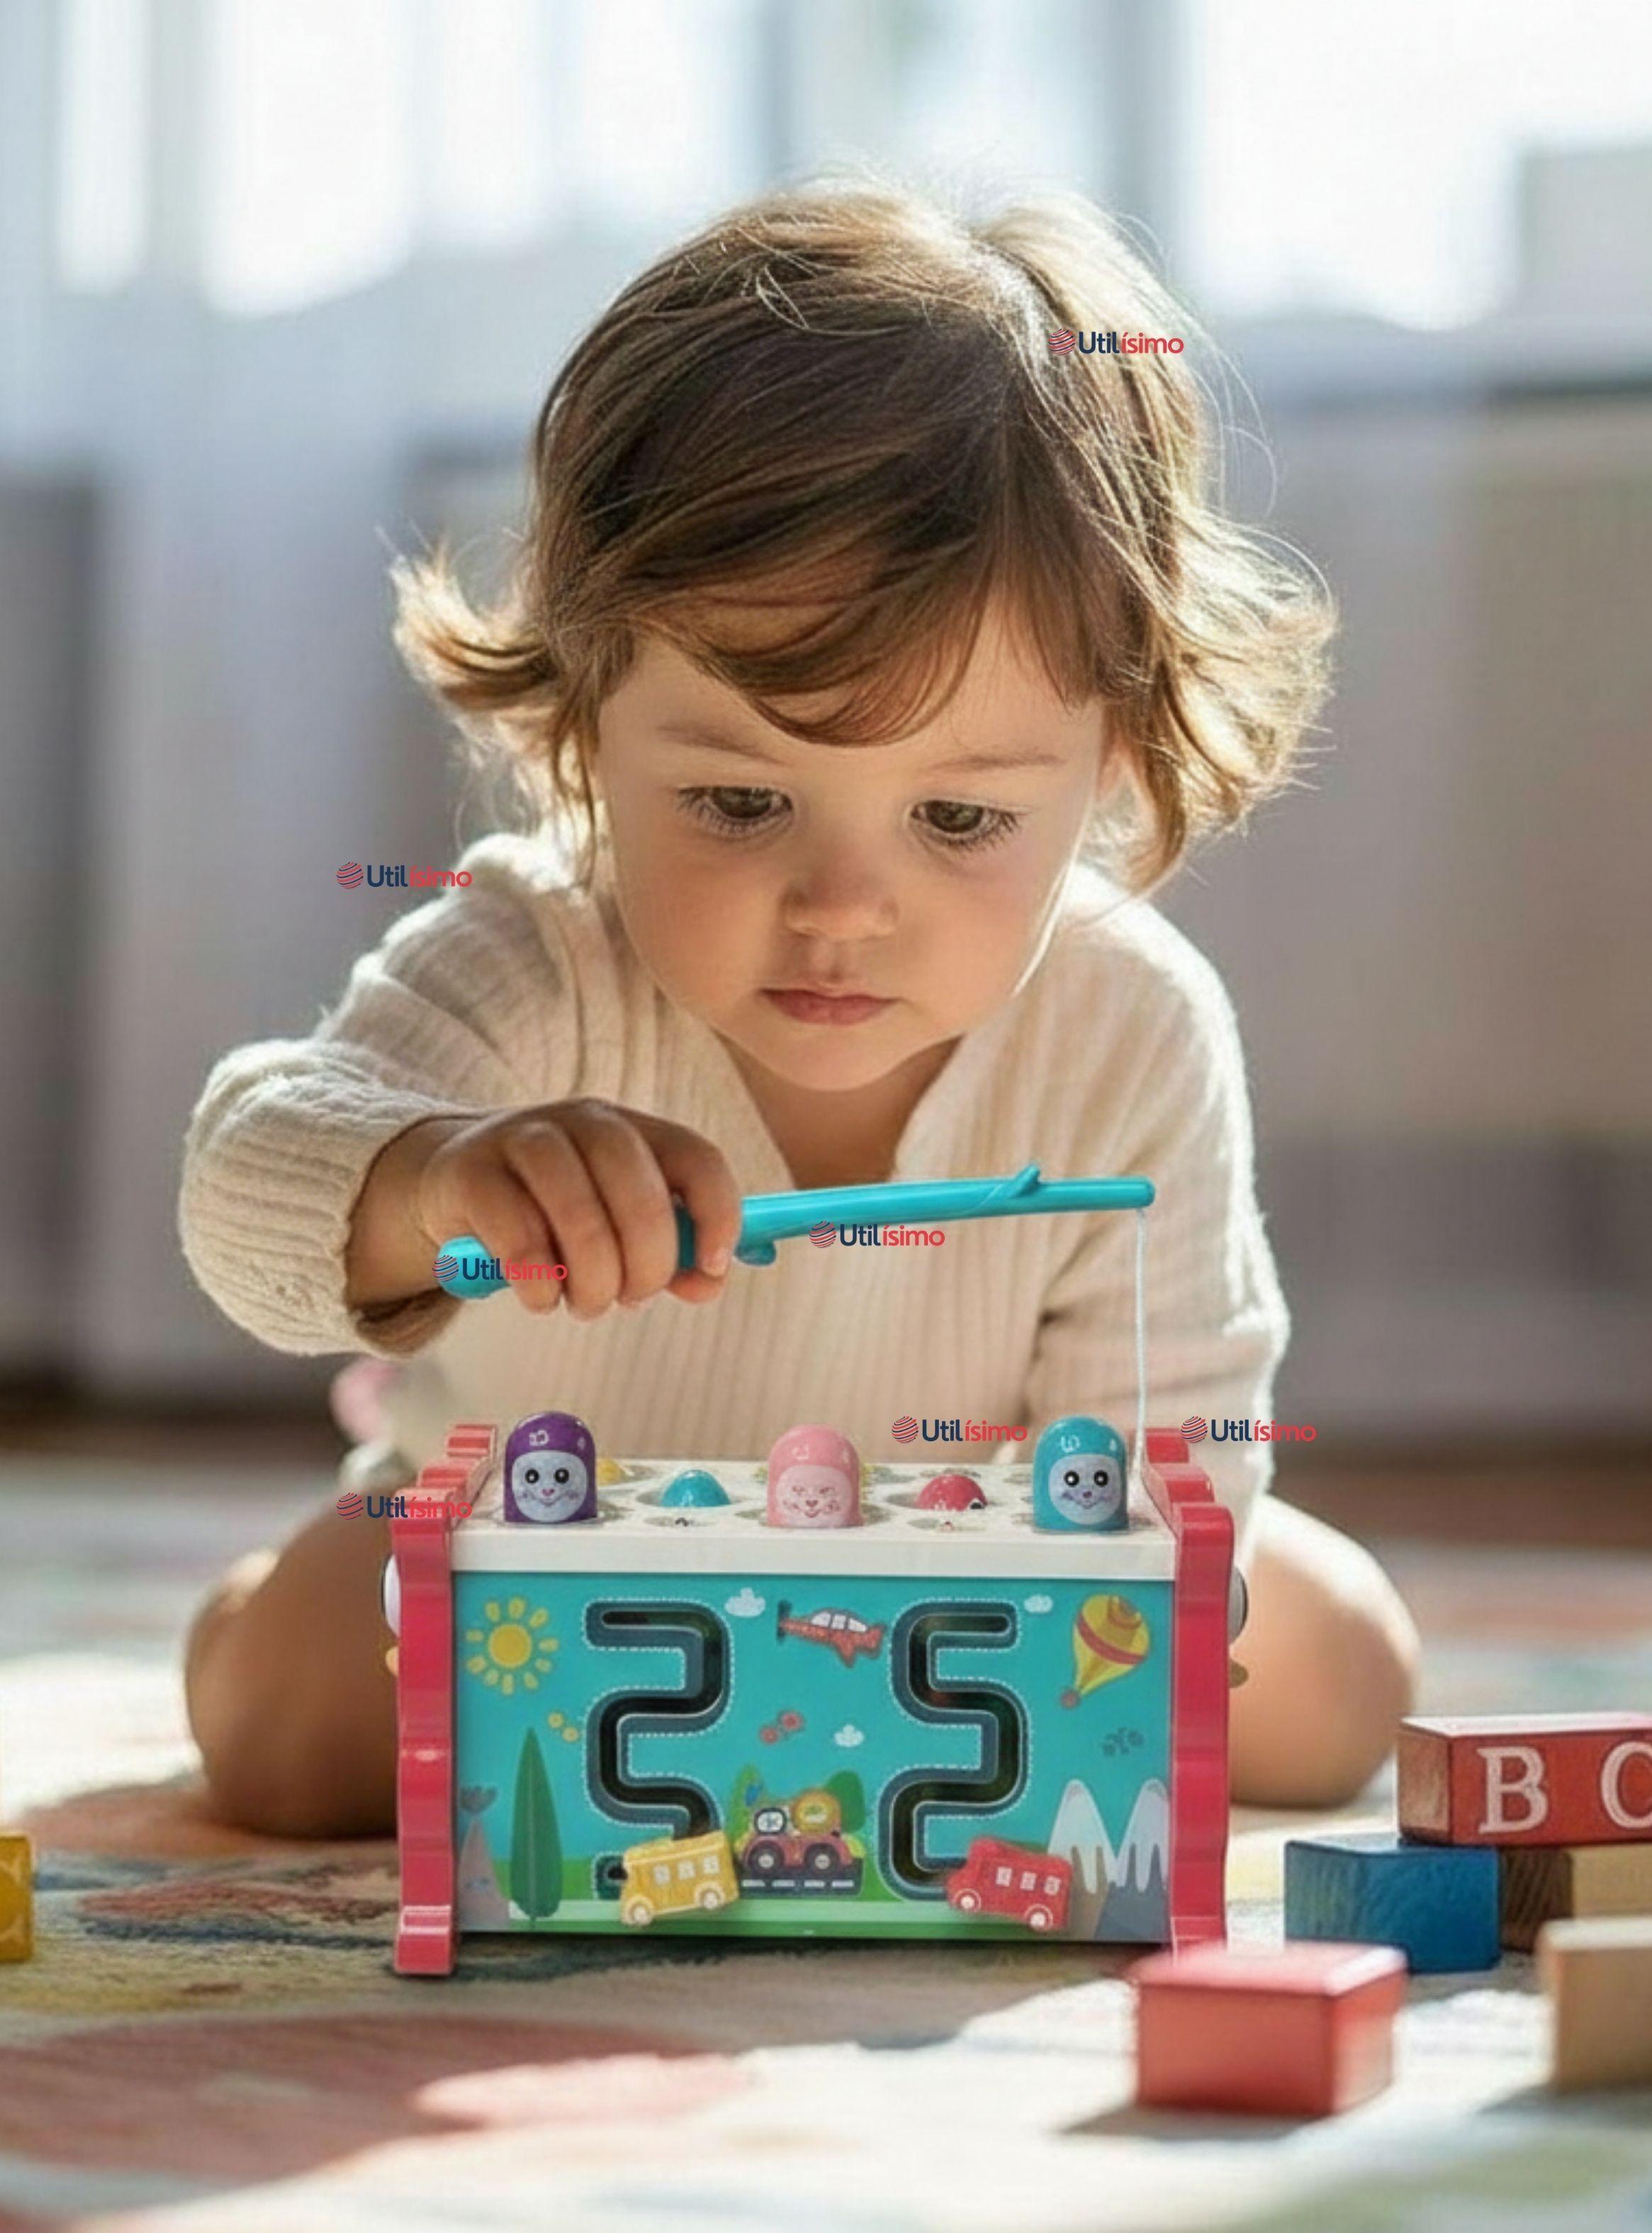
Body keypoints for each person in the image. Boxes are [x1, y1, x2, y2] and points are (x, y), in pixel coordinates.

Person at [177, 175, 1418, 1840]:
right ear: (587, 715)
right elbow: (245, 1184)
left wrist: (1080, 1606)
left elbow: (1172, 1437)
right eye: (739, 802)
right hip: (530, 1555)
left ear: (1111, 757)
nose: (839, 909)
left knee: (1337, 1680)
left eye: (958, 818)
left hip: (958, 1586)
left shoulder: (1129, 1026)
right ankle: (260, 1606)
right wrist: (431, 1179)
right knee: (288, 1729)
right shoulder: (528, 954)